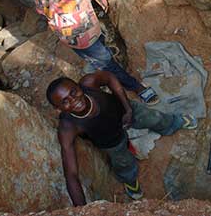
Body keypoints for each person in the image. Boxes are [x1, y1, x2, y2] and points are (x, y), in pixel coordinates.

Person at [46, 72, 197, 204]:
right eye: (65, 101)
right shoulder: (68, 127)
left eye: (74, 92)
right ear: (58, 109)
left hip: (126, 113)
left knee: (155, 118)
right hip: (111, 141)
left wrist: (128, 108)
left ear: (78, 86)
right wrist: (83, 210)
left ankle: (174, 123)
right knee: (123, 163)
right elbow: (71, 174)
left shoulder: (89, 83)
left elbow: (110, 78)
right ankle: (130, 181)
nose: (74, 100)